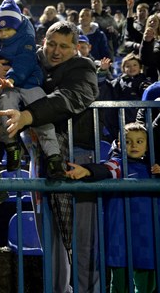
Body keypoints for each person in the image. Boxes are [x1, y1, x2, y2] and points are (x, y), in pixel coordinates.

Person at [0, 21, 98, 293]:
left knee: (82, 240)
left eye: (64, 46)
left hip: (78, 158)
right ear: (43, 41)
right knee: (50, 242)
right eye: (51, 43)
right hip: (40, 159)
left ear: (75, 48)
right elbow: (0, 60)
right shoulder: (32, 61)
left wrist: (28, 116)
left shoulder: (83, 67)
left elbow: (72, 96)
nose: (55, 51)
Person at [0, 0, 65, 178]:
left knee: (44, 121)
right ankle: (12, 147)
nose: (3, 34)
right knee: (5, 108)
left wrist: (11, 78)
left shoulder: (27, 41)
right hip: (8, 87)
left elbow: (24, 63)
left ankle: (54, 158)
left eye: (7, 29)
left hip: (29, 85)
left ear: (16, 27)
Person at [66, 122, 160, 293]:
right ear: (119, 144)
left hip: (146, 234)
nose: (134, 145)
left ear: (148, 145)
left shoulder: (153, 169)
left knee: (147, 283)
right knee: (119, 283)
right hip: (121, 233)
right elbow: (105, 169)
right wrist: (87, 171)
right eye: (128, 141)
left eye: (140, 141)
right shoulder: (118, 165)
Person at [97, 53, 151, 142]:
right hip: (120, 122)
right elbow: (104, 87)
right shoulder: (117, 83)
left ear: (140, 67)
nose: (131, 68)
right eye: (128, 66)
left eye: (134, 65)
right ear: (123, 69)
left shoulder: (145, 82)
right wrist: (102, 71)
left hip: (140, 121)